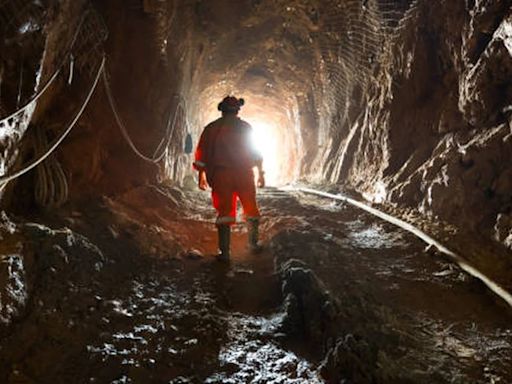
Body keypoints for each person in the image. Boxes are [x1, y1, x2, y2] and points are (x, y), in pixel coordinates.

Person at [193, 96, 265, 261]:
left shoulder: (211, 128)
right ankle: (253, 244)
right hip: (244, 174)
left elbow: (201, 154)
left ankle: (224, 252)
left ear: (222, 110)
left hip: (221, 175)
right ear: (237, 110)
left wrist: (201, 175)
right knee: (250, 207)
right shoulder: (246, 128)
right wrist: (261, 174)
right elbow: (256, 153)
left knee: (224, 211)